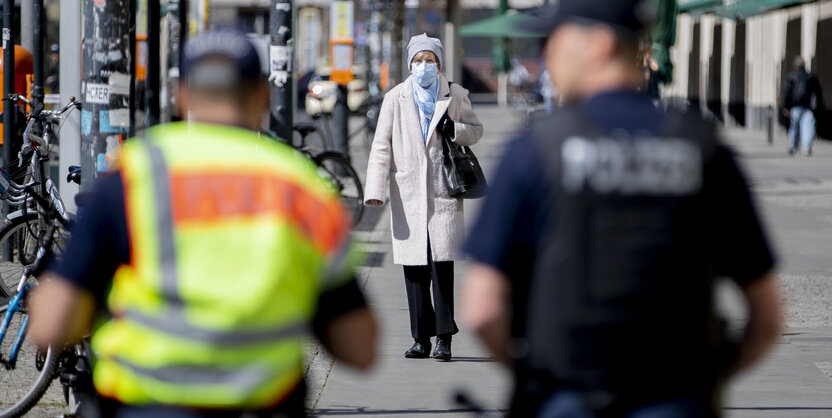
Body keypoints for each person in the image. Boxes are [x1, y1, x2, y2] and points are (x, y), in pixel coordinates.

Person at [29, 29, 377, 417]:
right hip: (261, 404)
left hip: (145, 405)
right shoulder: (300, 188)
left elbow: (50, 324)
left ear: (182, 95)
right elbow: (360, 347)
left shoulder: (136, 175)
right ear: (263, 96)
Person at [461, 1, 784, 417]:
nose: (546, 55)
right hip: (676, 399)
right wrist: (707, 380)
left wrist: (534, 378)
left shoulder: (535, 151)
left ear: (599, 44)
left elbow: (481, 308)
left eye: (553, 40)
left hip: (566, 396)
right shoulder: (703, 149)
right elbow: (768, 314)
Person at [364, 33, 483, 361]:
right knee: (415, 269)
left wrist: (454, 128)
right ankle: (421, 339)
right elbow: (380, 145)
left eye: (429, 60)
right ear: (409, 64)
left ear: (439, 64)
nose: (423, 66)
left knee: (442, 267)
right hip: (409, 194)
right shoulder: (396, 97)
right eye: (418, 61)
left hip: (443, 190)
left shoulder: (454, 94)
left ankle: (444, 338)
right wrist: (374, 190)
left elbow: (476, 129)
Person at [781, 56, 821, 156]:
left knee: (794, 127)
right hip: (808, 107)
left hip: (795, 106)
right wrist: (817, 106)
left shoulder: (791, 76)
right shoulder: (810, 76)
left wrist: (786, 107)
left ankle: (794, 147)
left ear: (795, 66)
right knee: (808, 127)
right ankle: (806, 148)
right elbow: (817, 93)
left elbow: (787, 92)